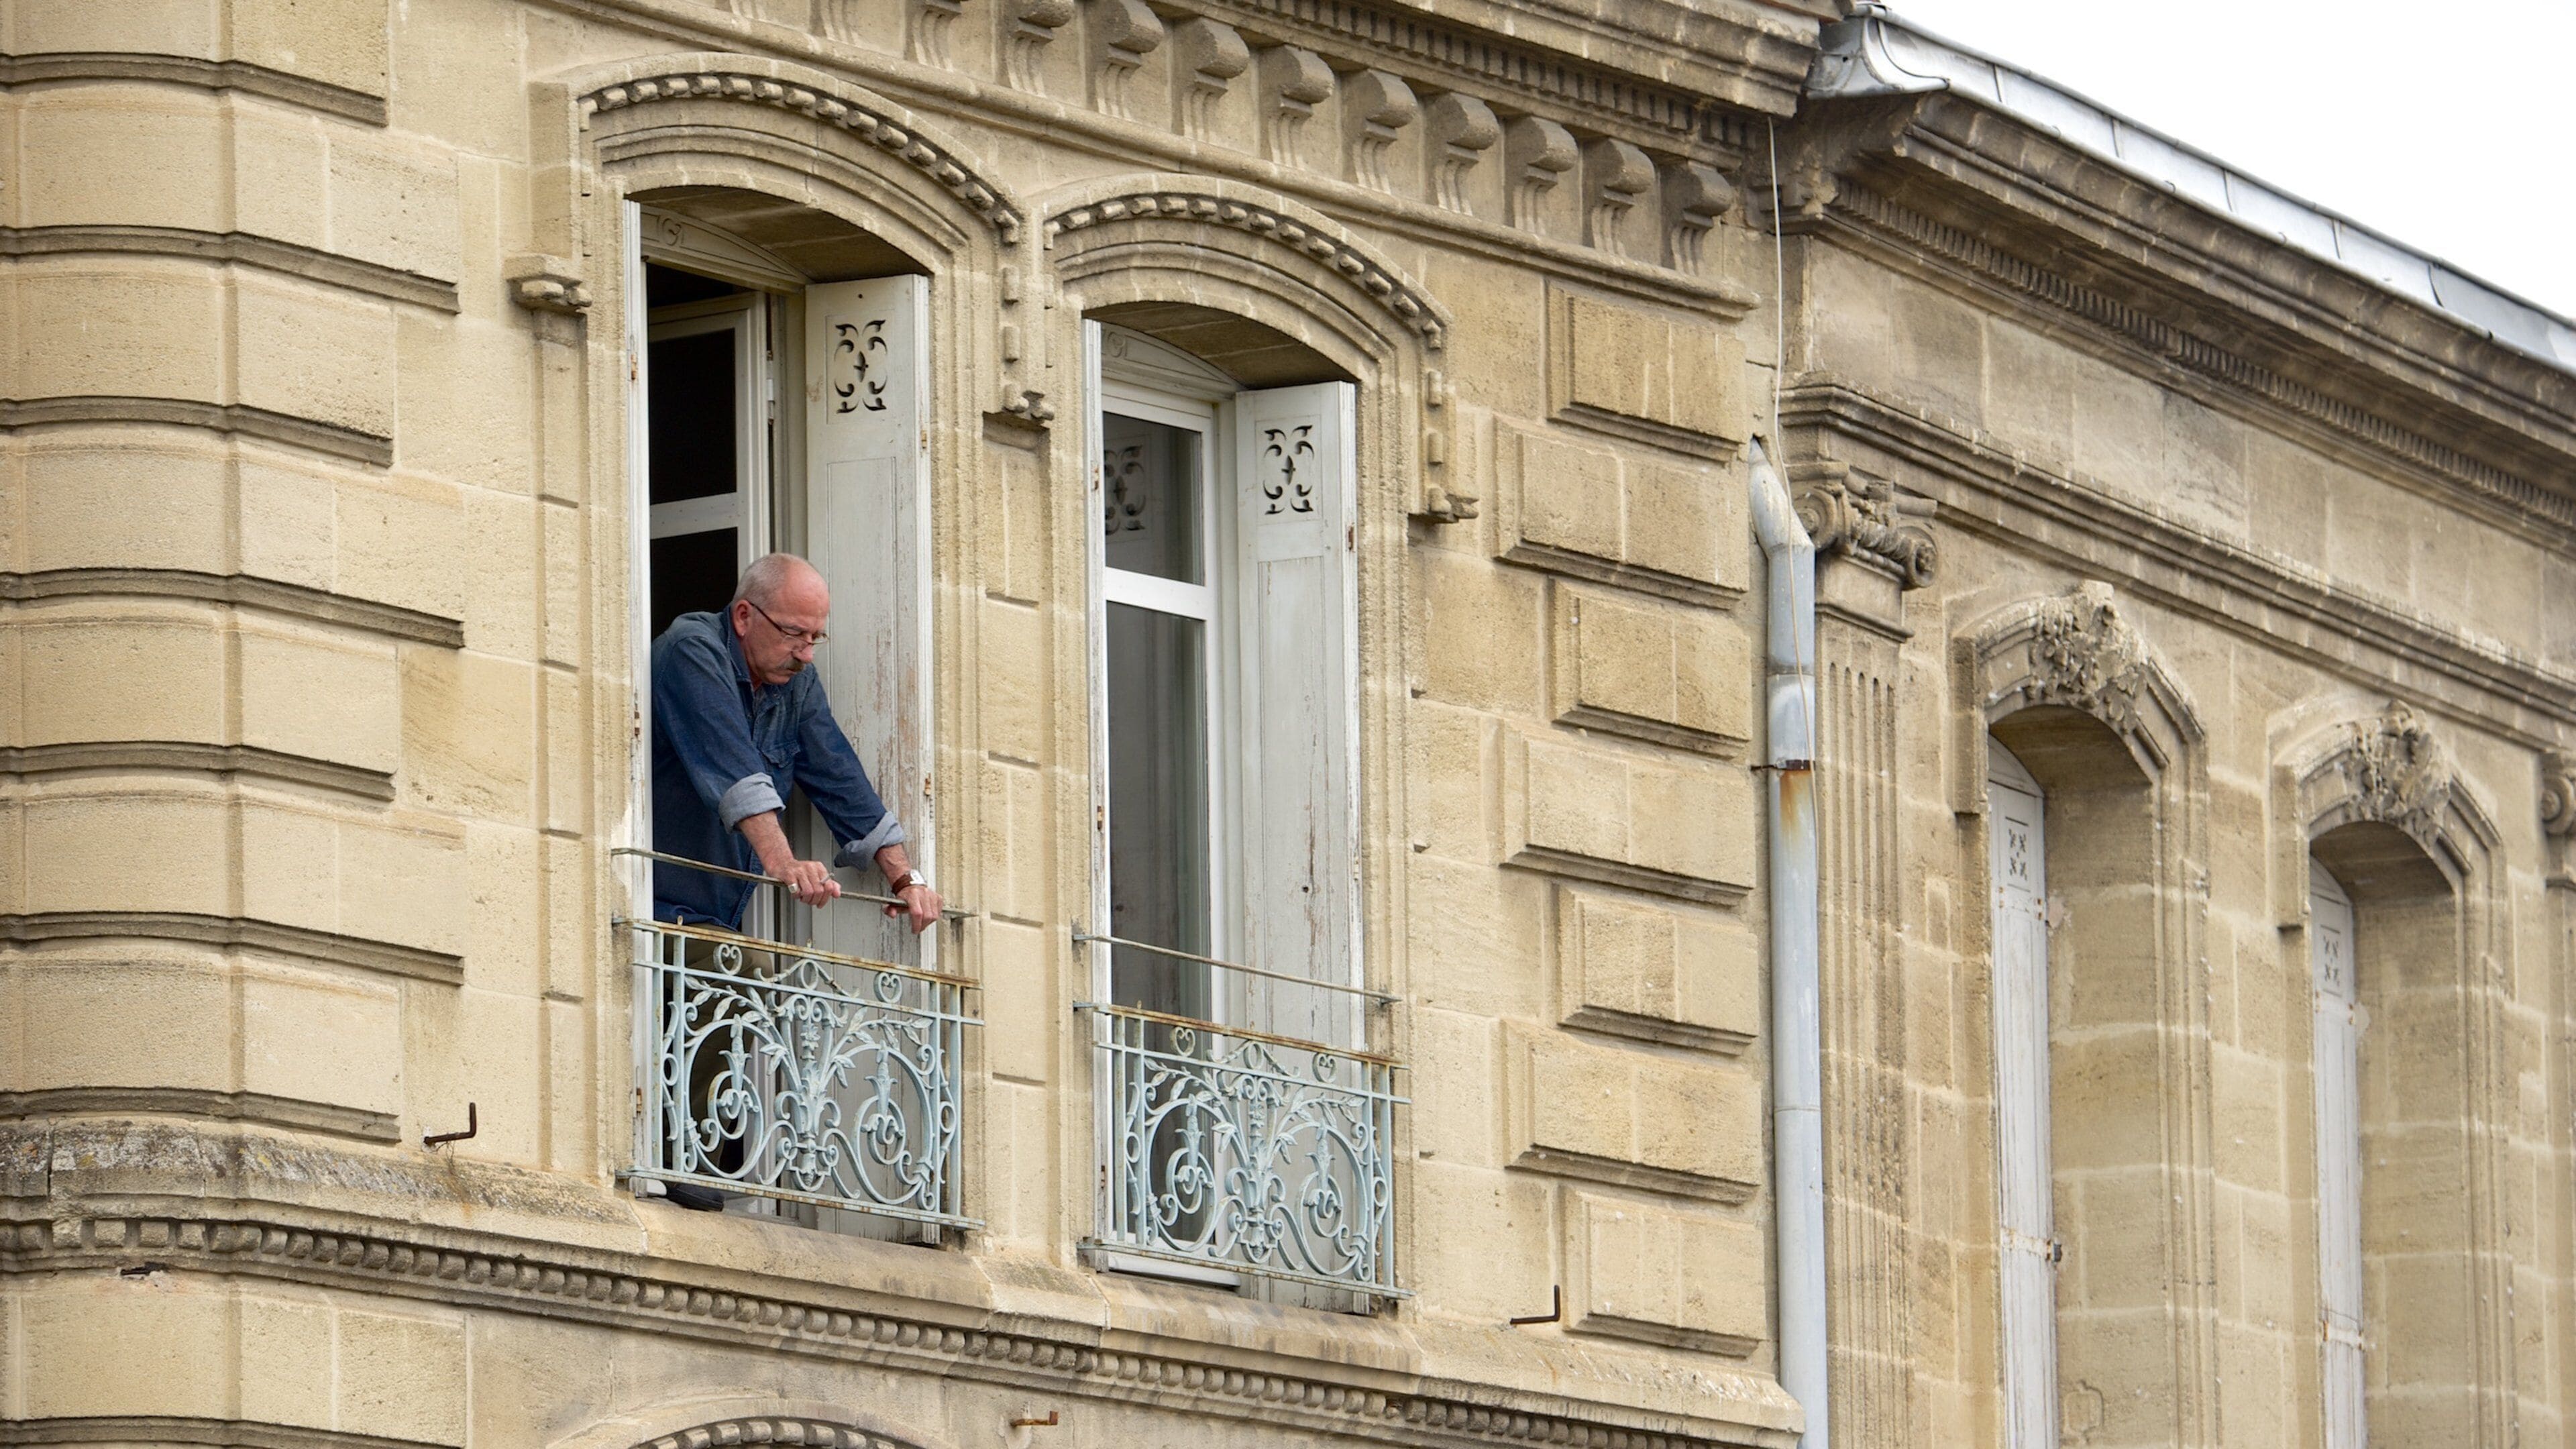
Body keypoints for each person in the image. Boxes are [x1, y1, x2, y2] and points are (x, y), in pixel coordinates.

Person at [650, 553, 942, 934]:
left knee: (754, 968)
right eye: (793, 633)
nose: (807, 654)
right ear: (743, 617)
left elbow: (840, 778)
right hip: (654, 912)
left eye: (815, 637)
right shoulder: (692, 649)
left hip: (713, 920)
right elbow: (735, 770)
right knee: (757, 967)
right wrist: (785, 864)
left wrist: (906, 879)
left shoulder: (795, 681)